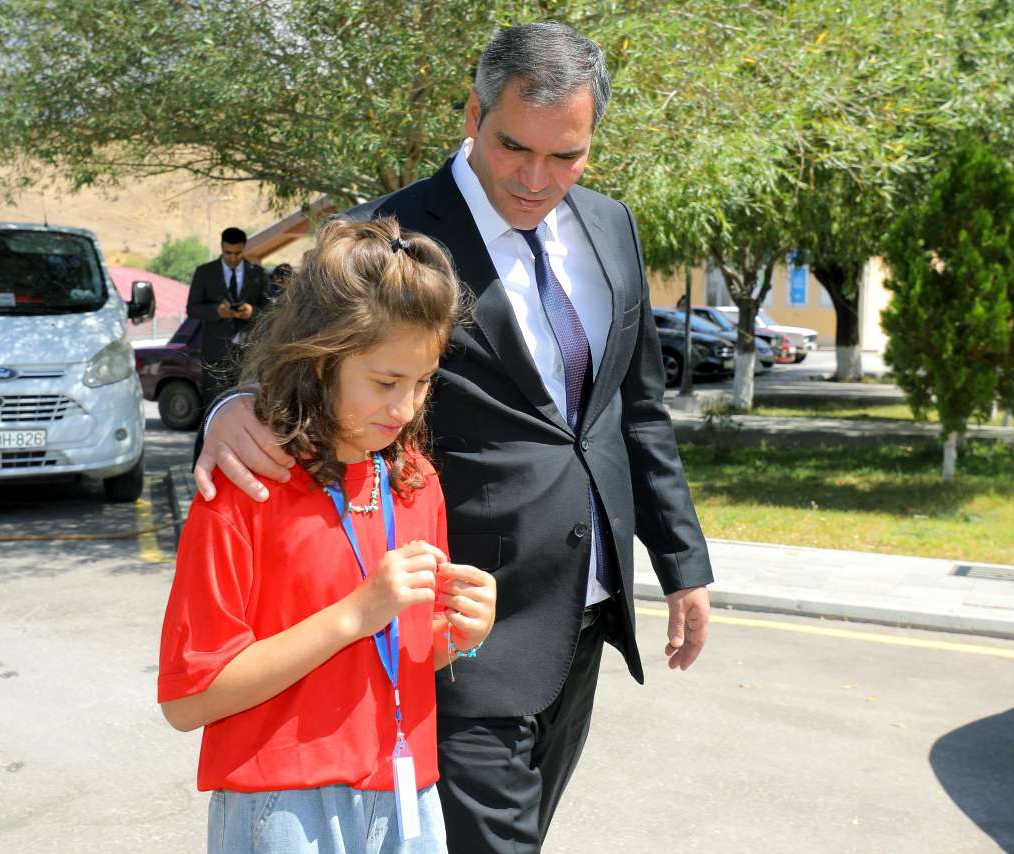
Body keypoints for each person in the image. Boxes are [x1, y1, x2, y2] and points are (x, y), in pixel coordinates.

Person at [196, 22, 713, 853]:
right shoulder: (381, 235)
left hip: (584, 614)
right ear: (473, 114)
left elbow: (635, 408)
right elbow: (294, 367)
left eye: (567, 156)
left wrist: (682, 564)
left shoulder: (611, 226)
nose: (536, 178)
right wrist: (231, 408)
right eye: (514, 147)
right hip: (456, 630)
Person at [158, 217, 497, 854]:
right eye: (386, 382)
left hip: (407, 796)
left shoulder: (416, 483)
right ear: (321, 362)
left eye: (423, 382)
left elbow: (404, 654)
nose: (406, 408)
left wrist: (462, 636)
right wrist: (355, 614)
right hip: (283, 804)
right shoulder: (245, 484)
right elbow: (189, 699)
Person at [185, 226, 269, 407]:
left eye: (237, 253)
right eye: (228, 253)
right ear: (221, 247)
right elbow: (192, 309)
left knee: (248, 407)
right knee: (214, 405)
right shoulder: (204, 272)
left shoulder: (258, 273)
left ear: (244, 248)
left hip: (248, 356)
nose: (232, 258)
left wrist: (252, 312)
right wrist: (216, 311)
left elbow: (270, 311)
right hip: (215, 355)